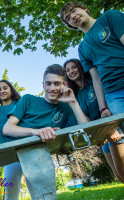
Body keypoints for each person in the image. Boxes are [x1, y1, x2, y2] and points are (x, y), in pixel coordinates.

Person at [2, 64, 88, 200]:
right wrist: (36, 131)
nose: (52, 88)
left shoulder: (65, 108)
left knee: (42, 196)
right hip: (13, 151)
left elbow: (85, 129)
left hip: (36, 155)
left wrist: (73, 102)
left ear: (65, 84)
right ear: (43, 85)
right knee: (11, 195)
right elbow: (7, 129)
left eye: (57, 83)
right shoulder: (29, 99)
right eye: (48, 83)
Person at [60, 1, 124, 181]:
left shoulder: (110, 17)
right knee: (120, 138)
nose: (72, 16)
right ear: (70, 25)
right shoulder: (83, 48)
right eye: (68, 18)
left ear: (84, 9)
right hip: (113, 92)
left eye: (74, 11)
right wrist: (103, 107)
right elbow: (96, 78)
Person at [64, 59, 124, 183]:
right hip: (102, 135)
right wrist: (96, 137)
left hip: (115, 129)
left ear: (80, 68)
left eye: (74, 67)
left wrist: (111, 128)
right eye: (68, 70)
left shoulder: (94, 83)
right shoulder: (75, 95)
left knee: (122, 169)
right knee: (120, 176)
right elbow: (86, 120)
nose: (71, 71)